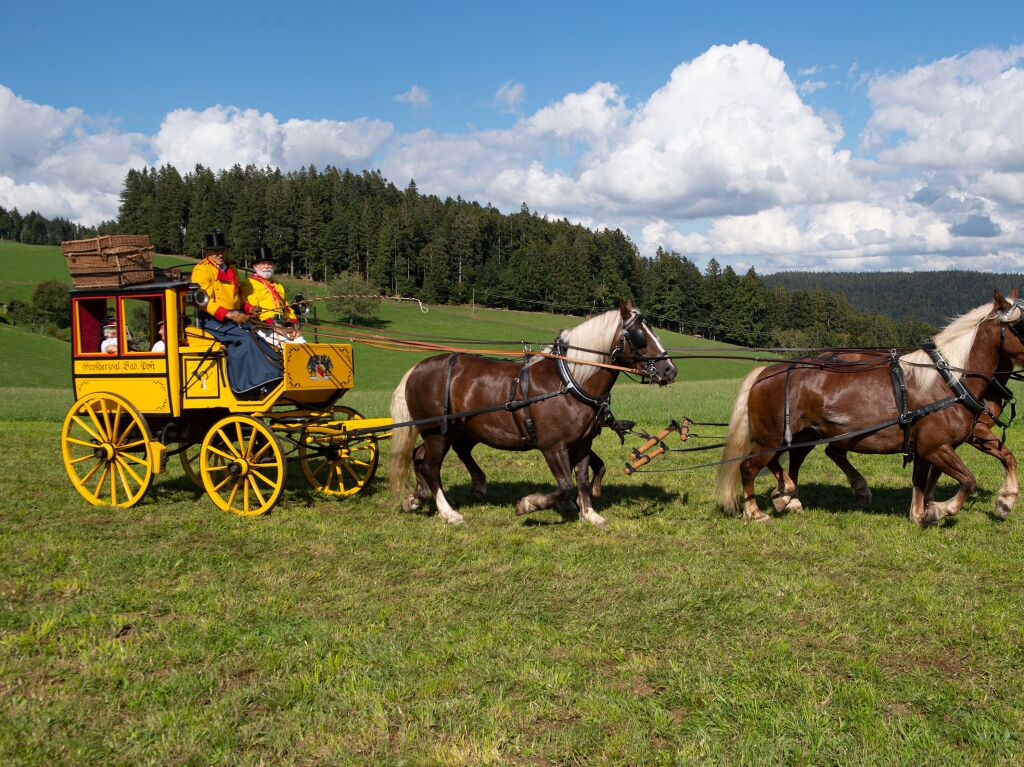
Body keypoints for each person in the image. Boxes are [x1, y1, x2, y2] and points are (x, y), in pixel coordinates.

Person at [191, 231, 282, 397]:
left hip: (233, 317)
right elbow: (203, 301)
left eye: (222, 250)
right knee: (244, 339)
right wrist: (229, 315)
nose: (219, 254)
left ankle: (274, 375)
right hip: (213, 320)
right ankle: (246, 386)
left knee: (257, 337)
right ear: (208, 252)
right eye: (215, 251)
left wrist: (249, 309)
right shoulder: (202, 270)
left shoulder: (231, 268)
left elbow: (237, 298)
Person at [241, 246, 306, 348]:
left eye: (270, 263)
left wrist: (293, 324)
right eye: (263, 263)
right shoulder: (248, 283)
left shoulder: (278, 285)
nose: (267, 266)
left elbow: (286, 307)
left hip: (282, 326)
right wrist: (273, 325)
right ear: (255, 266)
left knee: (303, 345)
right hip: (262, 327)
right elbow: (252, 309)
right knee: (289, 348)